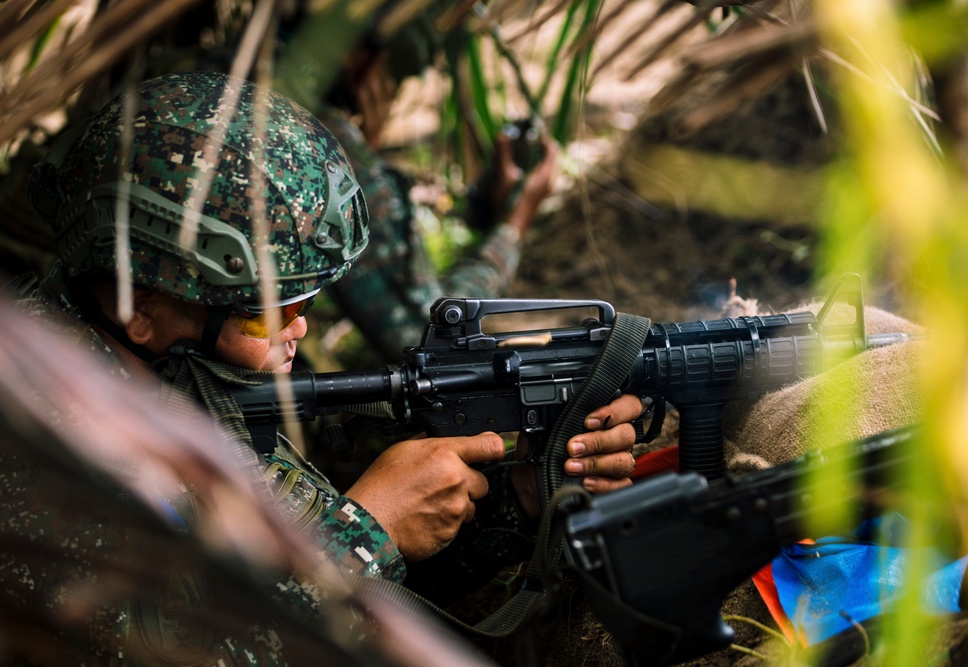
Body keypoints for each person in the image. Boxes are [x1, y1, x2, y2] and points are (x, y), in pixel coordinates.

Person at [10, 70, 639, 662]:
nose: (300, 327)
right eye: (269, 311)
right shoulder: (41, 451)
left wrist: (519, 501)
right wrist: (366, 531)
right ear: (138, 306)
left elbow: (350, 593)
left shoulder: (176, 373)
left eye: (308, 303)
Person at [278, 5, 559, 360]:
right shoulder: (324, 144)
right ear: (358, 57)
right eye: (395, 74)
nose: (393, 94)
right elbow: (430, 340)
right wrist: (515, 221)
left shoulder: (228, 69)